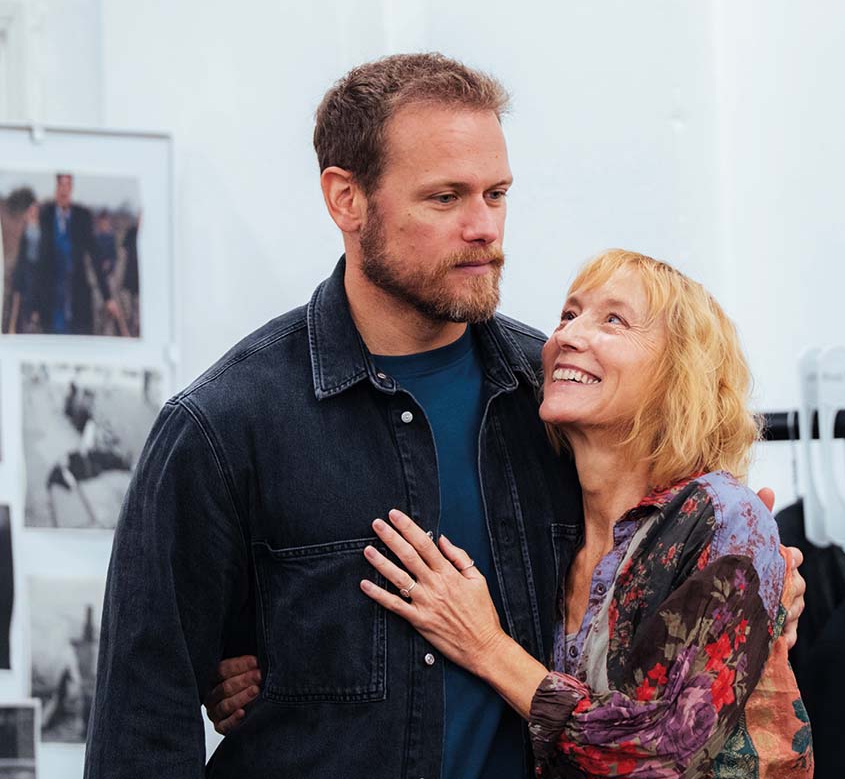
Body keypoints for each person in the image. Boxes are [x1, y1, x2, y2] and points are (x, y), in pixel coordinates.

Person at [83, 53, 804, 779]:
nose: (484, 228)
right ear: (346, 199)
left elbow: (684, 600)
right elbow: (141, 721)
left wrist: (764, 593)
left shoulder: (563, 401)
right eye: (445, 198)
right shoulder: (224, 427)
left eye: (496, 194)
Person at [211, 250, 816, 777]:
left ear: (679, 373)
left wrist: (486, 645)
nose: (569, 334)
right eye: (570, 313)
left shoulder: (721, 517)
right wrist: (268, 667)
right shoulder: (568, 534)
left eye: (614, 320)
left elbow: (656, 755)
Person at [34, 173, 118, 336]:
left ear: (71, 189)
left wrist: (107, 298)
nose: (64, 190)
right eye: (61, 186)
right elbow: (40, 262)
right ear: (56, 188)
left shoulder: (82, 216)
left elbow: (95, 257)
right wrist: (35, 304)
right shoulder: (46, 215)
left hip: (76, 293)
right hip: (51, 294)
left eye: (68, 186)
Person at [6, 187, 41, 333]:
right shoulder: (25, 228)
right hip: (27, 267)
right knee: (25, 296)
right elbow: (21, 252)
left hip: (38, 268)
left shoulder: (42, 227)